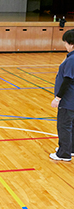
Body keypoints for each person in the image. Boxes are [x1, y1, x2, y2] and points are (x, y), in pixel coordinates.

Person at [50, 29, 74, 161]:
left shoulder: (72, 59)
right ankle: (71, 148)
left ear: (72, 44)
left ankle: (64, 153)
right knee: (72, 124)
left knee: (64, 125)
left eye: (66, 42)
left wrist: (58, 98)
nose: (65, 45)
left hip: (68, 99)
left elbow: (67, 80)